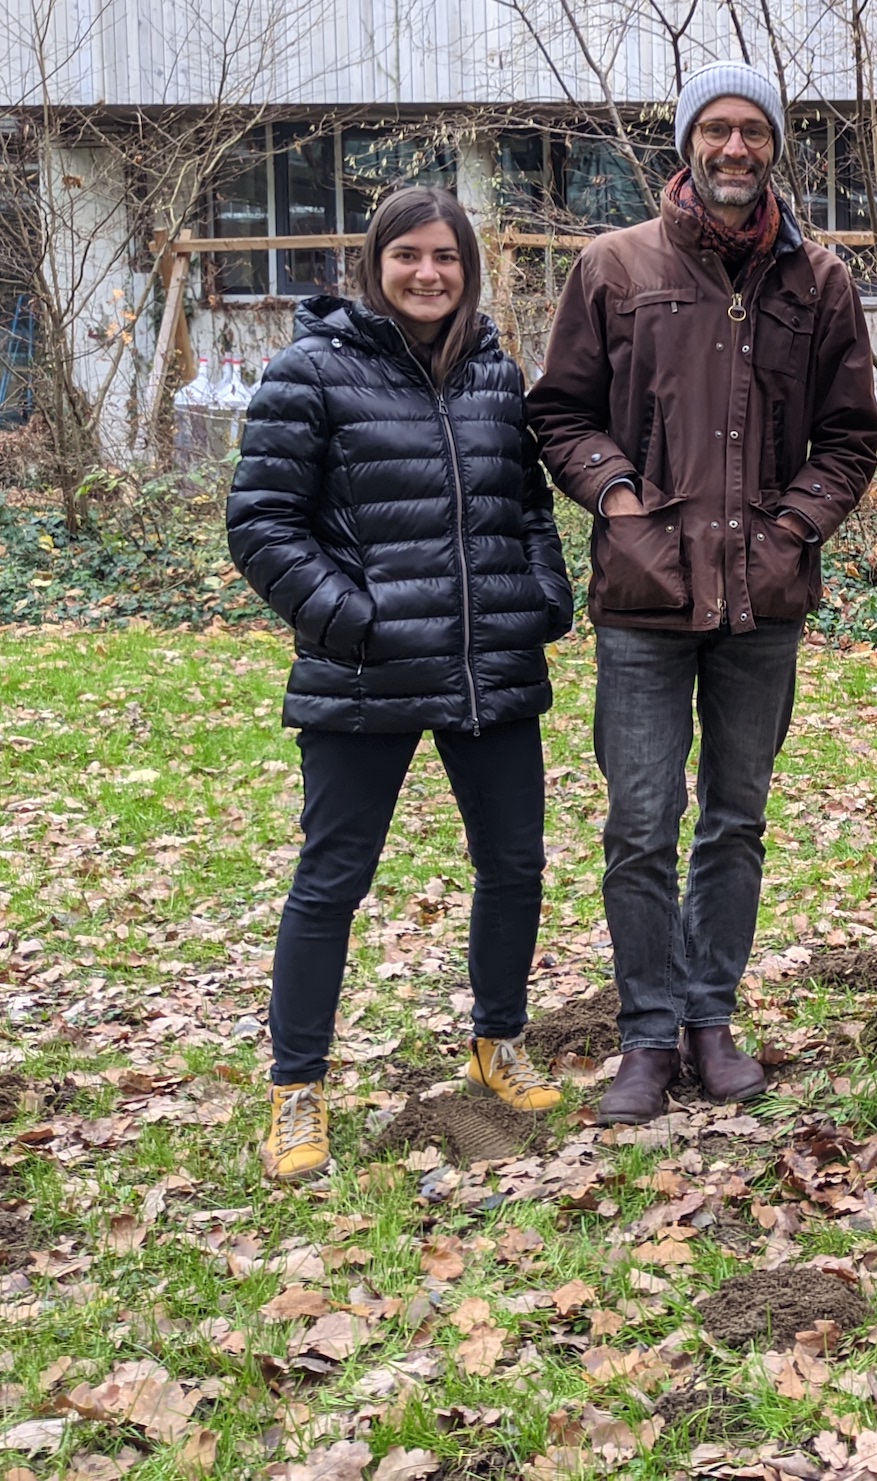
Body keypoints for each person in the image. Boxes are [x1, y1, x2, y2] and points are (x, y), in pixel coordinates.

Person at [529, 62, 877, 1125]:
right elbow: (558, 415)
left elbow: (851, 436)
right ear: (686, 143)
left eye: (753, 132)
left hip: (760, 601)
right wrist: (621, 500)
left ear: (776, 146)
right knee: (641, 822)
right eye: (717, 130)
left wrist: (789, 530)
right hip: (643, 595)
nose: (735, 149)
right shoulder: (614, 266)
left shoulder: (815, 282)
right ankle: (644, 1036)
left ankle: (709, 1017)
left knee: (734, 819)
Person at [229, 186, 577, 1184]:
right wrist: (355, 618)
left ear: (467, 270)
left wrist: (543, 596)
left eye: (447, 258)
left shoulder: (496, 376)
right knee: (332, 878)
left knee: (513, 863)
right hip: (364, 673)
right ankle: (297, 1088)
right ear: (374, 265)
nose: (428, 274)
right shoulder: (310, 372)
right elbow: (260, 523)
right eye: (408, 256)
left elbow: (528, 510)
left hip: (489, 664)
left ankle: (498, 1040)